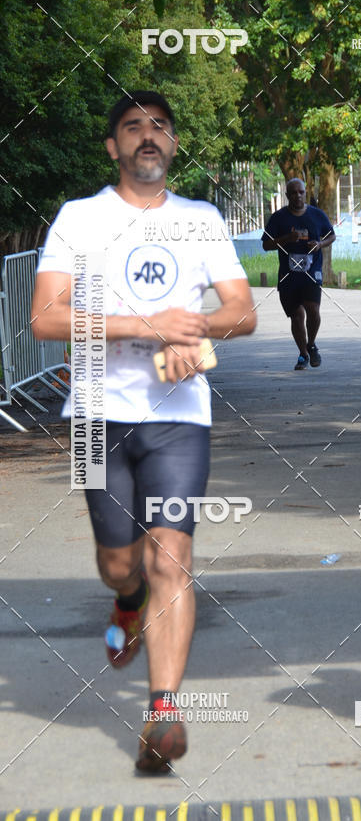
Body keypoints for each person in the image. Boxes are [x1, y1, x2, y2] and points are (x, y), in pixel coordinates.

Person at [31, 91, 256, 773]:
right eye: (132, 127)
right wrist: (144, 326)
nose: (147, 136)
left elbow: (241, 310)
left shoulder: (200, 219)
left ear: (175, 144)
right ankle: (126, 600)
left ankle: (163, 713)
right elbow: (45, 317)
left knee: (171, 559)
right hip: (97, 414)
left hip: (178, 416)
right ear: (113, 147)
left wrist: (198, 328)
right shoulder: (80, 218)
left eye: (159, 126)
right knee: (122, 564)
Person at [262, 178, 335, 369]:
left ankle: (311, 345)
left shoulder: (317, 215)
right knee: (296, 316)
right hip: (288, 274)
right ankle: (303, 354)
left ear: (305, 193)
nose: (298, 196)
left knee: (313, 310)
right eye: (293, 193)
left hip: (311, 272)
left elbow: (331, 236)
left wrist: (319, 244)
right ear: (287, 196)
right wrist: (287, 238)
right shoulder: (279, 218)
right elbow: (266, 244)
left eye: (301, 192)